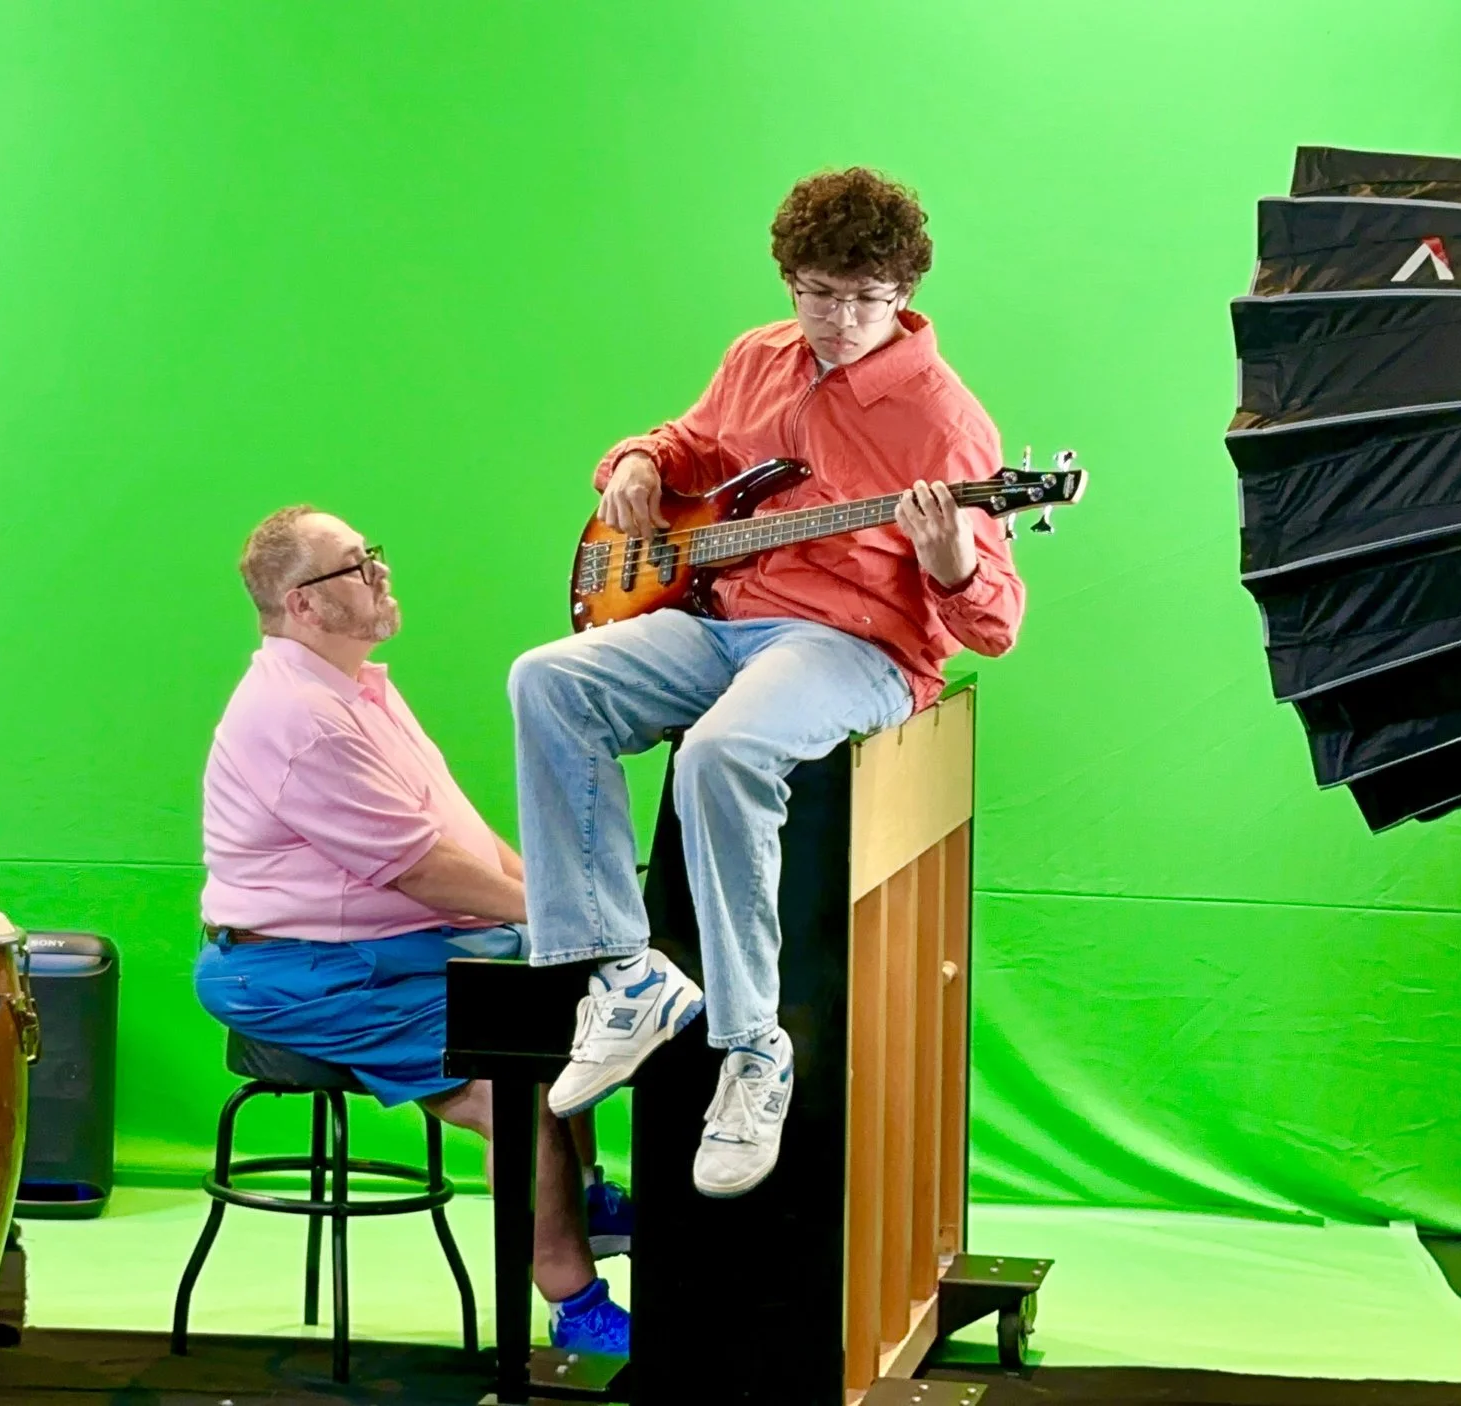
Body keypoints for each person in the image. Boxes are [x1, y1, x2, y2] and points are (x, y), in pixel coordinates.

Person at [510, 168, 1026, 1198]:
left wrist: (949, 562)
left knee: (722, 750)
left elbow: (993, 626)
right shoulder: (757, 355)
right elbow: (690, 442)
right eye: (817, 292)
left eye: (863, 298)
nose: (838, 320)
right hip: (722, 622)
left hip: (856, 646)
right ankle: (625, 971)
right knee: (546, 680)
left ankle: (753, 1049)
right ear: (789, 279)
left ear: (904, 290)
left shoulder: (944, 420)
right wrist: (635, 460)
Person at [197, 505, 634, 1353]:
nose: (381, 576)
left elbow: (460, 836)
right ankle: (574, 1302)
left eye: (373, 557)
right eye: (357, 566)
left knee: (567, 990)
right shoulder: (301, 719)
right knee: (513, 1083)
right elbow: (424, 871)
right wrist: (569, 913)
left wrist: (572, 904)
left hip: (386, 945)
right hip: (297, 970)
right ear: (305, 605)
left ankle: (581, 1193)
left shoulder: (357, 688)